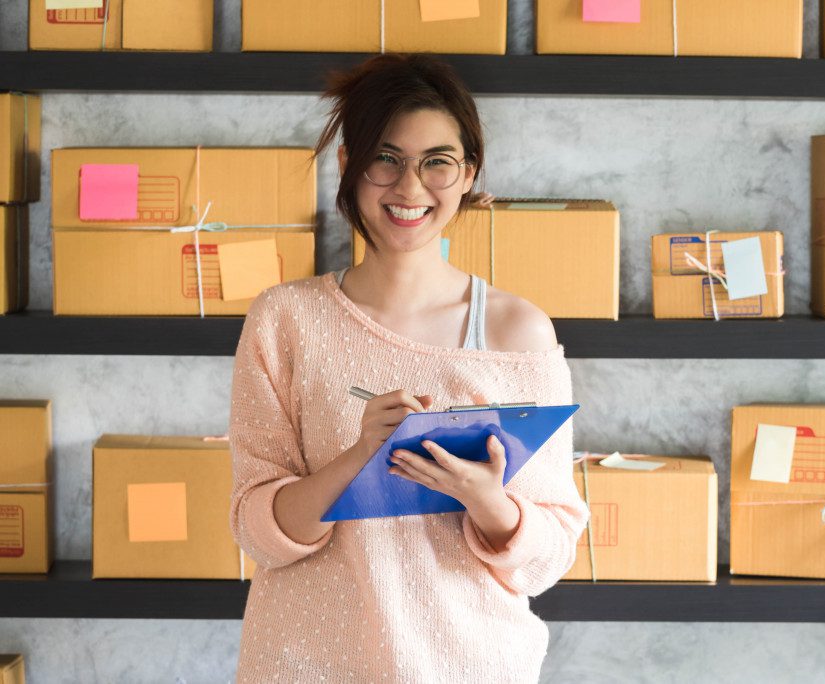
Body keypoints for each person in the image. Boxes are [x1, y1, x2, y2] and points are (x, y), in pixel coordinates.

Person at [228, 53, 590, 683]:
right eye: (386, 158)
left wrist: (489, 504)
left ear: (468, 173)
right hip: (306, 664)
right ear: (348, 163)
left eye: (437, 162)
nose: (410, 187)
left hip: (470, 665)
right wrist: (359, 454)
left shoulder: (518, 330)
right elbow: (258, 534)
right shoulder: (285, 319)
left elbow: (547, 558)